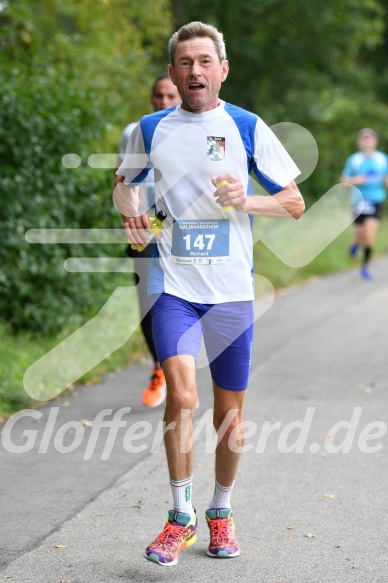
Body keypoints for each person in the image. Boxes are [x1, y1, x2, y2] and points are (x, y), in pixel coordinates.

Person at [114, 21, 304, 566]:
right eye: (185, 62)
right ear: (173, 71)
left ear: (222, 69)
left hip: (230, 294)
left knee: (229, 417)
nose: (194, 71)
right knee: (182, 395)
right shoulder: (150, 129)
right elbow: (124, 187)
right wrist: (133, 215)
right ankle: (180, 517)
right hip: (174, 287)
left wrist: (247, 200)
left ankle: (220, 512)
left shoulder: (245, 125)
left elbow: (293, 202)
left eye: (204, 61)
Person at [116, 73, 181, 407]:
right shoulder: (133, 132)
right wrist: (134, 218)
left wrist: (159, 222)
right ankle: (160, 368)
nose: (164, 102)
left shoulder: (190, 133)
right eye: (159, 96)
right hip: (145, 232)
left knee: (178, 302)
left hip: (183, 233)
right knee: (147, 307)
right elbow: (123, 183)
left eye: (171, 96)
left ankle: (177, 366)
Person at [340, 128, 388, 280]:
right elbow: (344, 180)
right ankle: (355, 244)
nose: (367, 140)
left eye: (369, 137)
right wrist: (356, 180)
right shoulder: (354, 160)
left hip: (375, 201)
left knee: (369, 236)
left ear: (375, 141)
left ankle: (365, 267)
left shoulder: (382, 159)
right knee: (359, 235)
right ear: (360, 141)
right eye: (364, 138)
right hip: (358, 201)